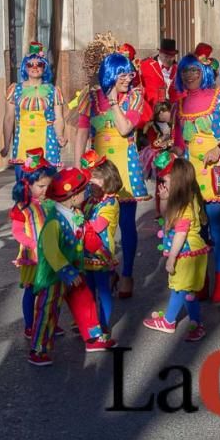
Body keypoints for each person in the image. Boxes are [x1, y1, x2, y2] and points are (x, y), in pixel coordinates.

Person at [73, 52, 149, 298]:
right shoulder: (91, 97)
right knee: (97, 224)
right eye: (122, 74)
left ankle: (127, 274)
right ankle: (102, 269)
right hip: (97, 170)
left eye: (129, 73)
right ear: (111, 74)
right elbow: (82, 134)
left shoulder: (136, 96)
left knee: (126, 225)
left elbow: (126, 128)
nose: (128, 78)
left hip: (125, 169)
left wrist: (115, 102)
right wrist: (78, 169)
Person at [172, 50, 220, 304]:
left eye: (194, 71)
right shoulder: (179, 104)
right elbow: (179, 143)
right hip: (191, 175)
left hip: (216, 171)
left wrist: (219, 148)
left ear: (203, 73)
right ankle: (200, 280)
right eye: (185, 71)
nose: (189, 75)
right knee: (196, 230)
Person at [29, 167, 109, 366]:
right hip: (54, 275)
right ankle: (38, 349)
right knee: (48, 310)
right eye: (83, 191)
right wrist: (66, 271)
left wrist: (101, 253)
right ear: (72, 197)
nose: (86, 194)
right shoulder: (54, 221)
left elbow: (86, 236)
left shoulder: (75, 213)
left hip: (75, 270)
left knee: (85, 300)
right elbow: (50, 251)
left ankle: (92, 337)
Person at [142, 154, 209, 341]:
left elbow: (180, 232)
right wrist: (164, 199)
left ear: (178, 180)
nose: (162, 181)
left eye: (166, 178)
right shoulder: (186, 197)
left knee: (179, 288)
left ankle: (169, 321)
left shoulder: (185, 205)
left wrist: (172, 258)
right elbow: (166, 216)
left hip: (186, 252)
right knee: (188, 292)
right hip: (191, 252)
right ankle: (197, 323)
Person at [9, 148, 56, 339]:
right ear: (28, 185)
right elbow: (17, 232)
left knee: (51, 291)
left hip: (52, 255)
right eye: (41, 186)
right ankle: (30, 325)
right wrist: (33, 244)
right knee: (31, 291)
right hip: (33, 257)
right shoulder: (22, 207)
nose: (46, 190)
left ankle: (49, 321)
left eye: (48, 186)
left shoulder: (51, 202)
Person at [1, 42, 66, 175]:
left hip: (47, 142)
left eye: (39, 64)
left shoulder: (53, 90)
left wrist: (60, 136)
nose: (35, 67)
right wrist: (7, 144)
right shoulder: (15, 89)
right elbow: (9, 118)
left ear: (45, 67)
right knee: (24, 183)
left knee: (45, 183)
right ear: (25, 67)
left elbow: (59, 118)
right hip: (23, 143)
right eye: (30, 64)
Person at [83, 157, 123, 346]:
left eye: (95, 179)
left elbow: (98, 226)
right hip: (87, 254)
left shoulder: (110, 203)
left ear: (107, 179)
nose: (91, 183)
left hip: (101, 254)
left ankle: (105, 327)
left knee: (103, 292)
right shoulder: (93, 199)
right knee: (89, 291)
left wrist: (78, 221)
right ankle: (91, 324)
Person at [139, 38, 179, 110]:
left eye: (172, 57)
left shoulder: (179, 69)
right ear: (160, 53)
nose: (168, 59)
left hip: (174, 110)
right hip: (152, 110)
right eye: (166, 56)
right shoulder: (147, 65)